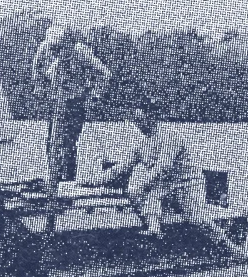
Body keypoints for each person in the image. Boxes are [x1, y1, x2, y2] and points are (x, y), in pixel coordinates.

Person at [83, 104, 238, 251]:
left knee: (196, 218)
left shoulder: (169, 137)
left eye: (140, 120)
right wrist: (95, 181)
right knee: (140, 194)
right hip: (165, 184)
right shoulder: (143, 144)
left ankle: (228, 246)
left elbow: (163, 166)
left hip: (188, 183)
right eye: (135, 121)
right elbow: (121, 168)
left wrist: (144, 183)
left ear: (151, 118)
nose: (138, 125)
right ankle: (155, 231)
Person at [32, 24, 113, 187]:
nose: (55, 53)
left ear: (67, 43)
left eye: (58, 49)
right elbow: (37, 69)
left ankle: (68, 180)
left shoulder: (81, 52)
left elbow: (105, 73)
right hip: (57, 99)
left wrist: (96, 94)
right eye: (53, 49)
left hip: (76, 100)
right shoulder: (44, 49)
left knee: (69, 141)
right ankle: (53, 178)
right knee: (52, 140)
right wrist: (39, 86)